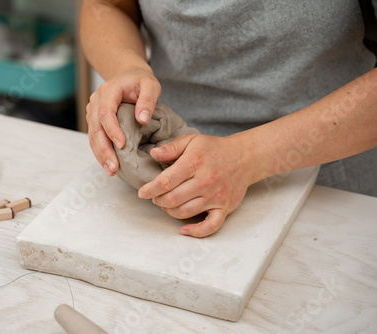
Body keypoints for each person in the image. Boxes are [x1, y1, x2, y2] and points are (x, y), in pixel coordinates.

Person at [80, 0, 377, 238]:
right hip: (170, 159)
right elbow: (106, 7)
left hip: (326, 172)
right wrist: (127, 67)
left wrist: (245, 157)